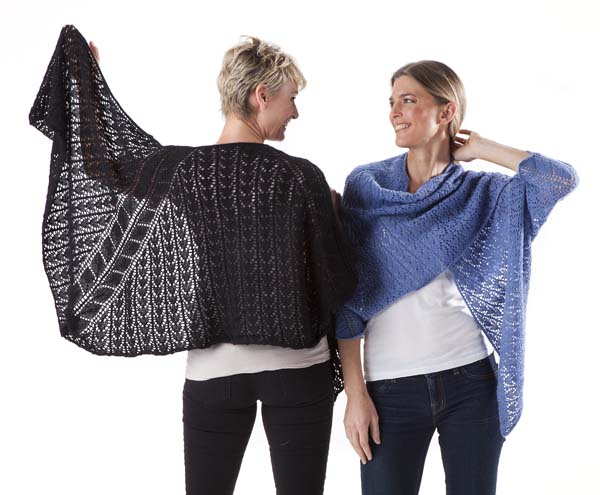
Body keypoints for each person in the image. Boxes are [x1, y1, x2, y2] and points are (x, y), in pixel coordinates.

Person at [30, 26, 355, 495]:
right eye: (291, 99)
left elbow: (102, 167)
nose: (295, 112)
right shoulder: (301, 177)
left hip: (214, 373)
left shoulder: (181, 172)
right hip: (298, 369)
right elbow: (336, 283)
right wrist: (336, 221)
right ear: (262, 96)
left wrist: (86, 88)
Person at [335, 60, 578, 495]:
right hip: (390, 388)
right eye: (392, 102)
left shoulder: (482, 193)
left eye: (408, 100)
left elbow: (559, 179)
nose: (394, 112)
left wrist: (483, 147)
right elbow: (349, 302)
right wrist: (356, 394)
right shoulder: (368, 187)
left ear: (446, 112)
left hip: (471, 382)